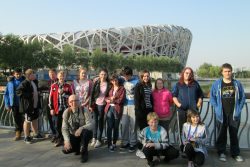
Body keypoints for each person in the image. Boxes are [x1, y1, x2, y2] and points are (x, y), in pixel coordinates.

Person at [210, 63, 245, 162]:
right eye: (225, 71)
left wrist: (239, 108)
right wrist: (216, 107)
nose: (227, 73)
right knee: (221, 134)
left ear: (231, 72)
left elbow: (242, 97)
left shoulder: (237, 84)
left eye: (229, 71)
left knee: (234, 134)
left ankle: (235, 154)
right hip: (221, 113)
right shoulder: (217, 84)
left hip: (234, 114)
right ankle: (221, 152)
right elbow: (212, 97)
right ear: (222, 72)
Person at [172, 67, 203, 143]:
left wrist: (199, 103)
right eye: (186, 73)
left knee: (193, 128)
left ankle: (193, 146)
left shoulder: (195, 84)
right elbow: (174, 96)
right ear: (183, 73)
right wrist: (179, 105)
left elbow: (200, 95)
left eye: (190, 73)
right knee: (182, 128)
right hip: (182, 110)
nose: (188, 75)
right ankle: (182, 146)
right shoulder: (178, 84)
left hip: (193, 111)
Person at [61, 95, 94, 163]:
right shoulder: (66, 112)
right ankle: (78, 149)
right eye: (71, 101)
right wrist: (66, 141)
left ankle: (84, 152)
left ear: (79, 102)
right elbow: (64, 128)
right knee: (65, 150)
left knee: (86, 132)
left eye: (76, 100)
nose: (74, 103)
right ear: (69, 103)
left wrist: (81, 128)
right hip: (74, 135)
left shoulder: (84, 110)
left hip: (84, 134)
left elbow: (91, 124)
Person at [16, 69, 44, 144]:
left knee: (34, 119)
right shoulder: (24, 83)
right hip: (28, 106)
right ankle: (26, 136)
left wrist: (39, 91)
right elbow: (18, 92)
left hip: (35, 105)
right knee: (27, 121)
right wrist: (29, 95)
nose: (35, 75)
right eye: (33, 74)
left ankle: (35, 134)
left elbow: (36, 90)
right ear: (29, 75)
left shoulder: (34, 81)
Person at [49, 71, 73, 147]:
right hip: (57, 109)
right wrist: (51, 108)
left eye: (63, 76)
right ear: (58, 77)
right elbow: (50, 98)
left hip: (66, 108)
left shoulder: (68, 86)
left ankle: (66, 139)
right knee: (57, 124)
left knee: (66, 124)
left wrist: (63, 93)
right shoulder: (53, 86)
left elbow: (70, 97)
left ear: (65, 77)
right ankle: (59, 138)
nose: (61, 77)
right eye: (60, 76)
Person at [89, 68, 111, 148]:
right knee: (95, 122)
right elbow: (92, 94)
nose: (103, 76)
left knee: (101, 122)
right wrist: (90, 105)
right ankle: (94, 138)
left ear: (107, 75)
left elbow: (109, 94)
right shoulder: (96, 82)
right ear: (99, 75)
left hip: (103, 105)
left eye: (105, 74)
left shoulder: (109, 84)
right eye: (102, 74)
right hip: (95, 104)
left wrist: (107, 99)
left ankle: (99, 139)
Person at [120, 66, 139, 153]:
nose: (125, 77)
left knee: (133, 125)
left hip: (133, 105)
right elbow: (113, 79)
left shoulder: (137, 82)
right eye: (124, 75)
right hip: (124, 105)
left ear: (130, 74)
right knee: (124, 124)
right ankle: (124, 142)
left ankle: (133, 143)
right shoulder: (122, 80)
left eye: (127, 75)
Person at [104, 74, 125, 152]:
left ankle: (114, 143)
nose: (114, 81)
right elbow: (105, 97)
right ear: (111, 81)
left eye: (115, 80)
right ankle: (109, 144)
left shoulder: (122, 88)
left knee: (116, 127)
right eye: (112, 80)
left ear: (118, 80)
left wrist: (113, 100)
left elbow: (121, 99)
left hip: (117, 109)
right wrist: (108, 100)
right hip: (109, 108)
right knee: (109, 127)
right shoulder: (110, 88)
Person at [4, 68, 25, 140]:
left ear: (22, 74)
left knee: (24, 119)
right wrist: (7, 104)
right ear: (14, 74)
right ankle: (18, 133)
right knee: (16, 119)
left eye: (19, 74)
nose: (18, 75)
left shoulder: (25, 81)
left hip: (23, 103)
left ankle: (25, 132)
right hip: (14, 103)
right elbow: (6, 94)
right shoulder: (10, 82)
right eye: (17, 74)